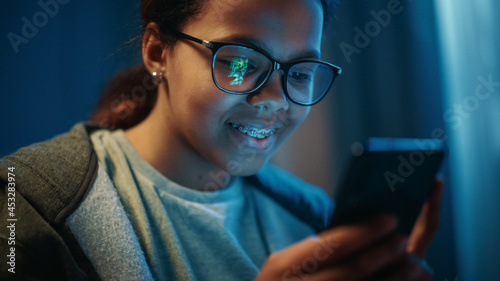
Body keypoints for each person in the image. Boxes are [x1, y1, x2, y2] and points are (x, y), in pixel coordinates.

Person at [0, 0, 443, 280]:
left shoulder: (312, 219)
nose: (274, 100)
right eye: (240, 64)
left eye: (301, 73)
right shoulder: (30, 198)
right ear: (157, 52)